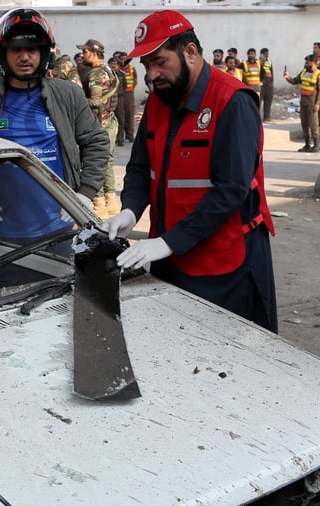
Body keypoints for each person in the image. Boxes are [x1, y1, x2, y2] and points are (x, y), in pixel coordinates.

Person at [102, 10, 277, 333]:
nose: (152, 75)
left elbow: (231, 191)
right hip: (170, 258)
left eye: (160, 62)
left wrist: (168, 241)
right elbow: (141, 167)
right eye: (146, 66)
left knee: (227, 361)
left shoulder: (232, 102)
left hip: (224, 264)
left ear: (191, 53)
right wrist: (129, 211)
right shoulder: (158, 102)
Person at [0, 8, 109, 242]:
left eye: (32, 49)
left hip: (60, 227)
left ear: (44, 52)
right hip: (0, 232)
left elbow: (97, 141)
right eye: (16, 49)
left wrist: (84, 194)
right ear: (3, 53)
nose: (24, 57)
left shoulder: (68, 95)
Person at [79, 38, 121, 216]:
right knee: (108, 162)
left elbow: (95, 102)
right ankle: (111, 203)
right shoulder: (109, 70)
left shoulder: (96, 74)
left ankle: (99, 206)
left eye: (85, 52)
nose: (82, 55)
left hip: (98, 124)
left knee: (94, 162)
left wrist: (77, 101)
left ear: (94, 53)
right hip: (110, 121)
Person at [284, 55, 320, 152]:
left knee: (313, 123)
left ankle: (316, 145)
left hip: (312, 102)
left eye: (308, 61)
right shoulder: (304, 72)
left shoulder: (319, 74)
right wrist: (288, 77)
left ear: (314, 62)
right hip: (303, 101)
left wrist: (318, 103)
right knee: (304, 123)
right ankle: (307, 144)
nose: (306, 63)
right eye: (306, 61)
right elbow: (295, 81)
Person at [115, 51, 137, 145]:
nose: (124, 60)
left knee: (129, 113)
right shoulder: (117, 69)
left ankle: (130, 134)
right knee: (120, 115)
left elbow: (135, 80)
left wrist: (131, 89)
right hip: (120, 94)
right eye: (122, 58)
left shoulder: (132, 68)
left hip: (129, 93)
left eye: (125, 58)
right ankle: (120, 136)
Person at [259, 47, 275, 121]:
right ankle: (257, 117)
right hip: (261, 84)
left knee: (268, 101)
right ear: (261, 54)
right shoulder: (258, 61)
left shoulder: (269, 61)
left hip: (269, 84)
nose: (267, 55)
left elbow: (271, 72)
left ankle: (267, 116)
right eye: (265, 54)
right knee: (259, 101)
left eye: (267, 54)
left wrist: (271, 82)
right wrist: (262, 61)